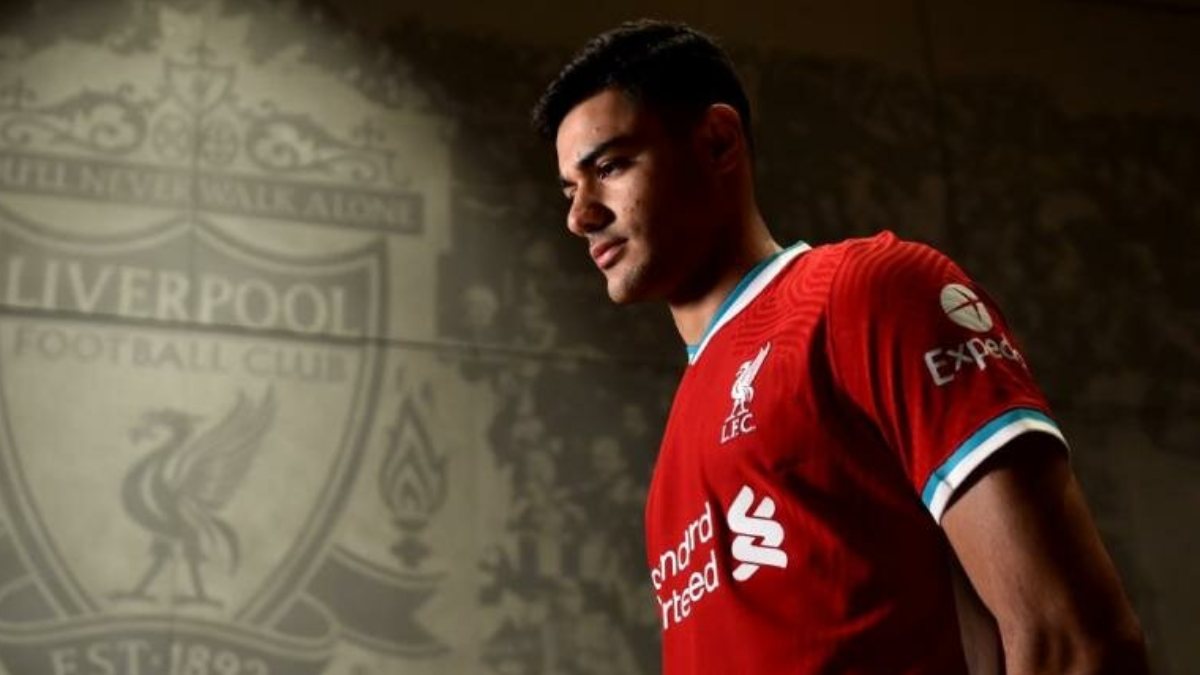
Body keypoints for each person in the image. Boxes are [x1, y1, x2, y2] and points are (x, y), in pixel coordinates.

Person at [531, 19, 1148, 675]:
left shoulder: (867, 293)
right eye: (570, 189)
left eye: (610, 167)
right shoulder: (674, 454)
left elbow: (1074, 641)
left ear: (717, 142)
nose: (580, 215)